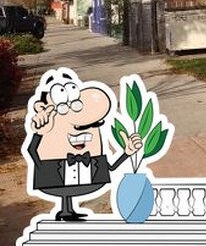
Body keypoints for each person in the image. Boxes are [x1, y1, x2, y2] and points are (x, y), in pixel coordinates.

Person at [26, 69, 142, 221]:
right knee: (63, 189)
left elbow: (110, 167)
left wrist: (127, 152)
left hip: (86, 177)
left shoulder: (94, 159)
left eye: (92, 125)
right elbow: (31, 149)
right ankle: (65, 210)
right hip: (55, 175)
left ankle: (68, 210)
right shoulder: (48, 132)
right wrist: (39, 135)